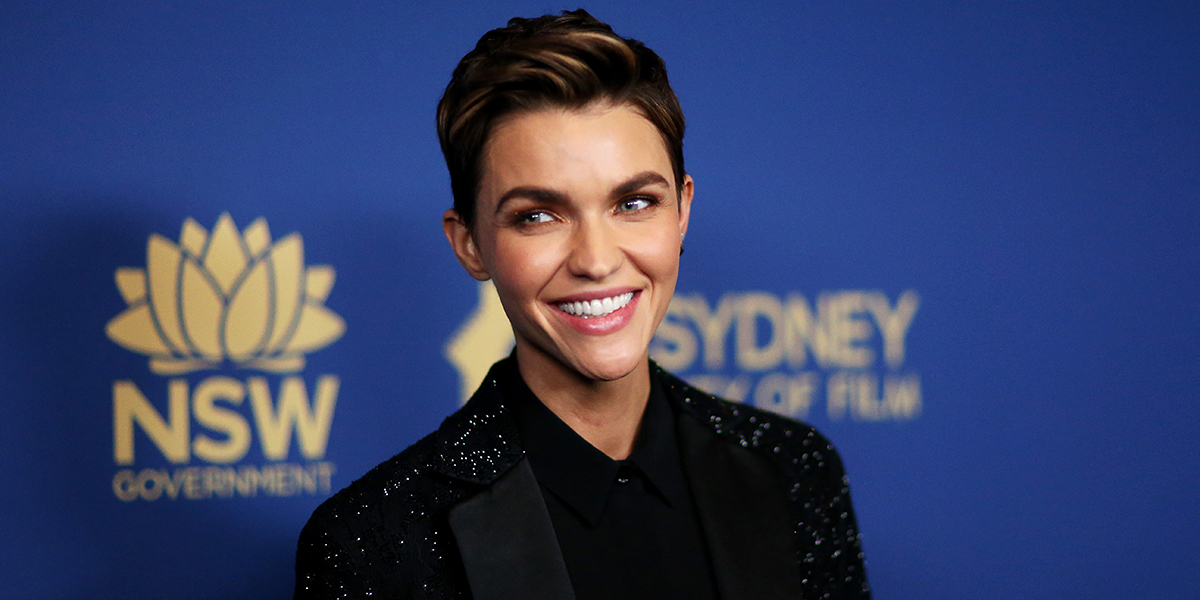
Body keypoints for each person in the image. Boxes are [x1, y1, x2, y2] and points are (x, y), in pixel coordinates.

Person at [295, 9, 870, 600]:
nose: (596, 260)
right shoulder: (375, 542)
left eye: (634, 203)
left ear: (682, 212)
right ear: (470, 244)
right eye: (538, 216)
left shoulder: (792, 468)